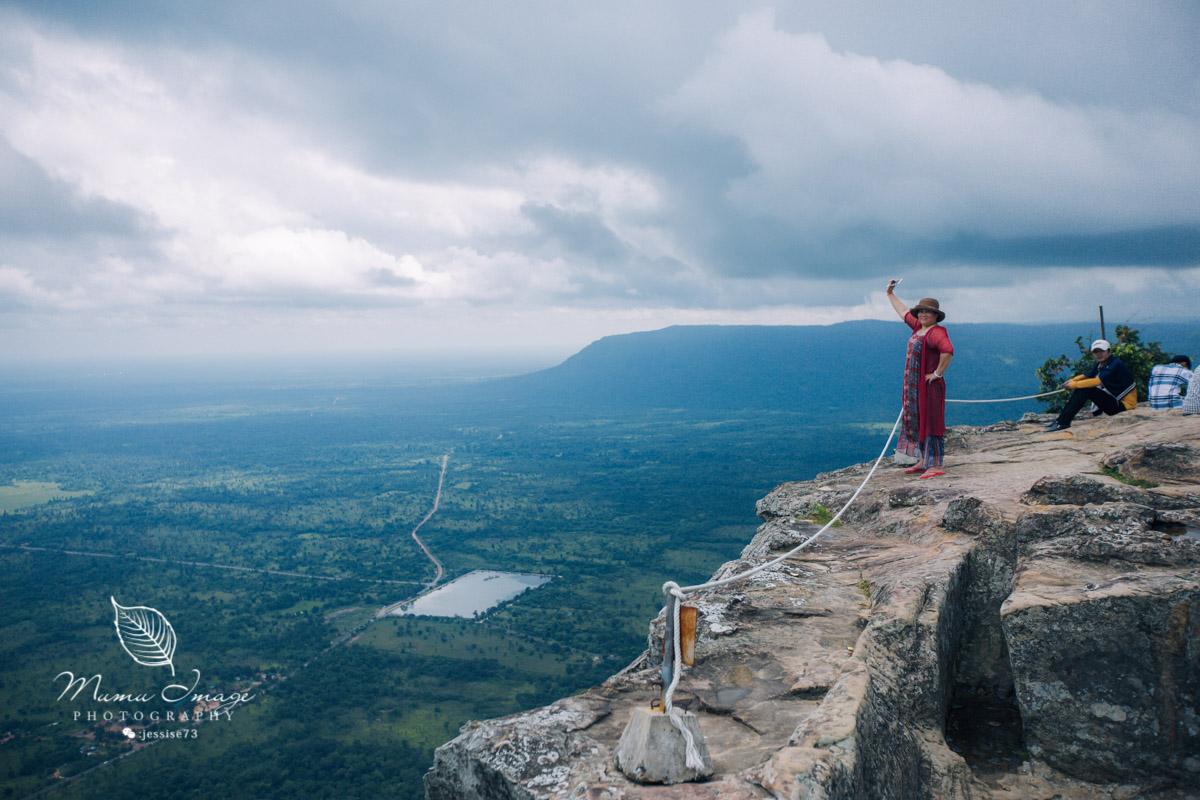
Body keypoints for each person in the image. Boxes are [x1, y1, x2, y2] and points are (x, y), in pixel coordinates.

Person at [886, 281, 954, 479]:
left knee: (932, 421)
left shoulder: (936, 332)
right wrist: (889, 293)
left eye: (928, 312)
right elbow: (903, 311)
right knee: (919, 420)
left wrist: (937, 373)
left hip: (929, 387)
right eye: (921, 311)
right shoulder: (919, 328)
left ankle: (935, 464)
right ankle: (924, 460)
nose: (923, 315)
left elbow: (948, 351)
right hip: (915, 388)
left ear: (935, 316)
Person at [1044, 339, 1136, 432]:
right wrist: (1073, 380)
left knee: (1085, 389)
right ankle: (1061, 421)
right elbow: (1088, 374)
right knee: (1083, 388)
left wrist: (1074, 385)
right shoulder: (1102, 363)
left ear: (1108, 351)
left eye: (1101, 351)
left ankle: (1062, 422)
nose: (1098, 354)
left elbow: (1097, 381)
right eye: (1095, 352)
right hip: (1116, 402)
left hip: (1124, 406)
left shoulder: (1115, 364)